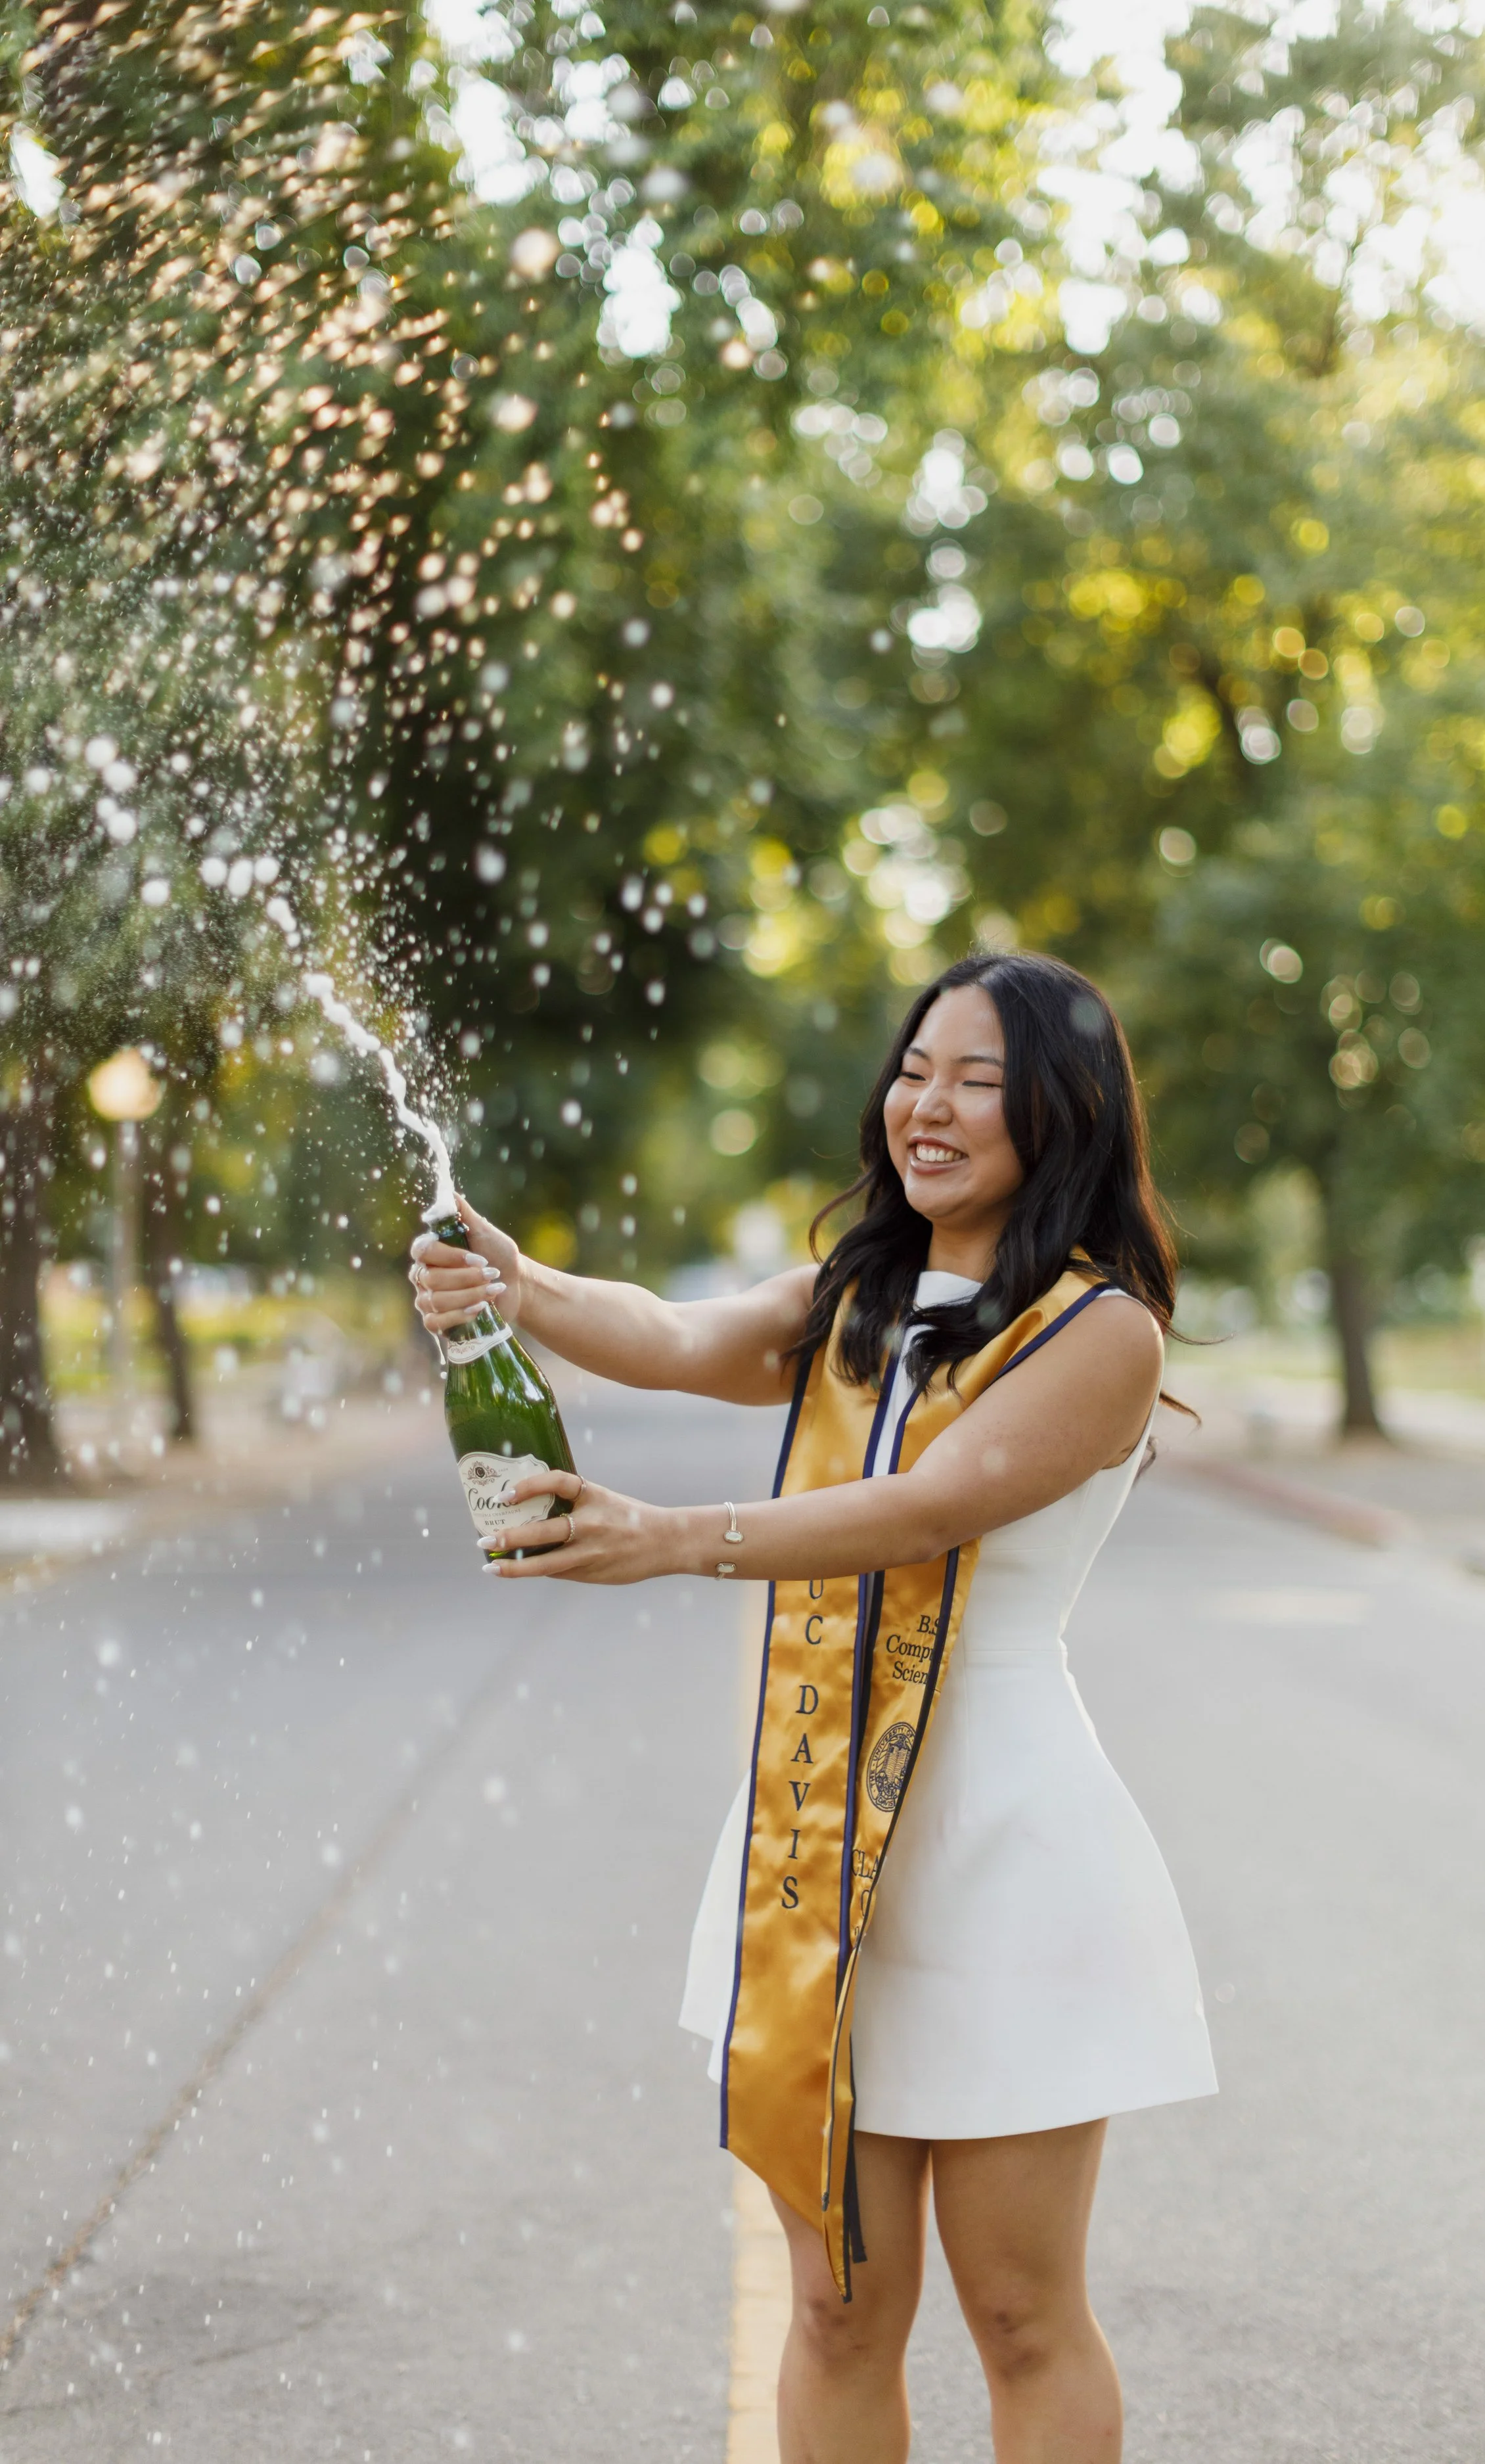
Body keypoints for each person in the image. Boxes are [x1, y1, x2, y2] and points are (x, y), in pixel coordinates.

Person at [410, 950, 1216, 2464]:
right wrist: (514, 1285)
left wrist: (664, 1538)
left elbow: (926, 1510)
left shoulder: (1098, 1331)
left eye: (979, 1080)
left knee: (1021, 2316)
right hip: (812, 1830)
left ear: (1064, 1114)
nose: (930, 1104)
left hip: (1001, 1860)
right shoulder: (867, 1288)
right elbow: (666, 1334)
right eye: (916, 1068)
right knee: (837, 2307)